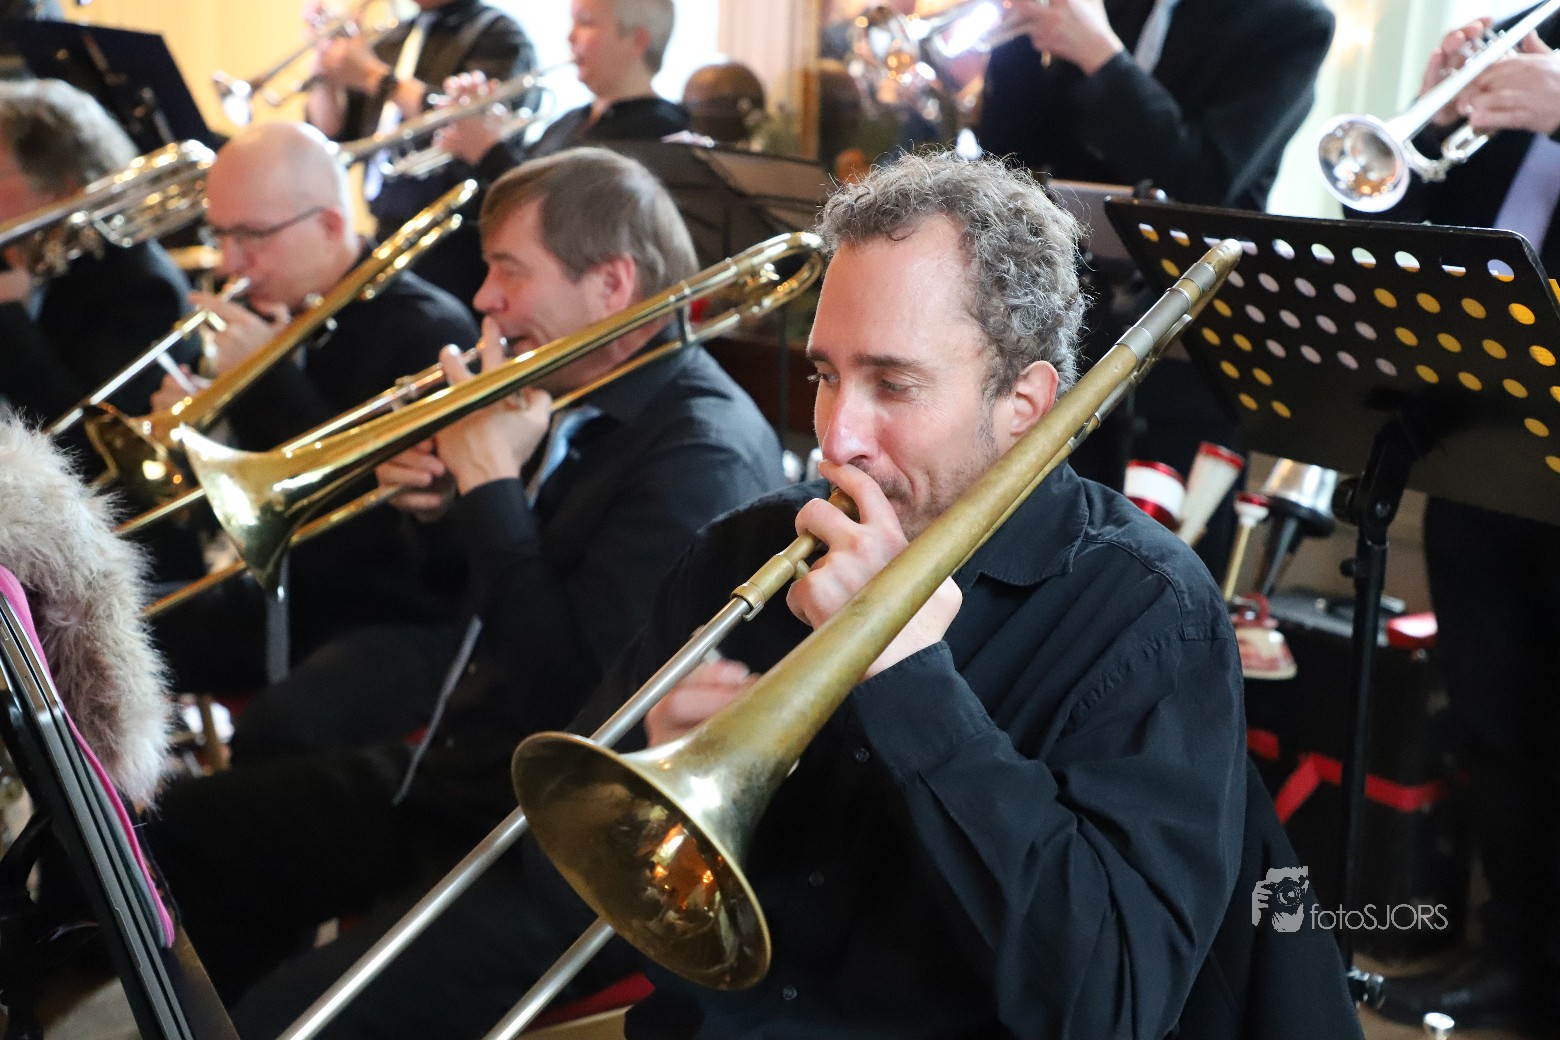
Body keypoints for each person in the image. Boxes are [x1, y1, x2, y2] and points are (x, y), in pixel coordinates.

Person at [553, 150, 1250, 1036]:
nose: (836, 438)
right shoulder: (746, 548)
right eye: (825, 375)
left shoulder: (1151, 615)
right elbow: (574, 870)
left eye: (893, 384)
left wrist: (909, 678)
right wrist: (651, 796)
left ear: (1024, 404)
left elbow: (1110, 1003)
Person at [139, 147, 786, 1035]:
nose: (482, 299)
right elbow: (468, 613)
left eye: (509, 271)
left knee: (280, 1021)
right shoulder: (571, 390)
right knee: (180, 832)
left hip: (561, 847)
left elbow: (577, 703)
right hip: (466, 774)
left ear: (612, 285)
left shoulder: (697, 456)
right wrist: (445, 512)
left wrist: (489, 491)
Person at [1357, 7, 1560, 1032]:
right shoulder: (1539, 31)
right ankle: (1516, 959)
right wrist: (1431, 123)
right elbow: (1403, 242)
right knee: (1498, 723)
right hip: (1487, 447)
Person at [975, 0, 1334, 571]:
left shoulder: (1292, 22)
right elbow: (1011, 152)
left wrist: (1102, 57)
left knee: (1165, 564)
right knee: (1043, 548)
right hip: (1069, 323)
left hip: (1190, 347)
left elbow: (1206, 178)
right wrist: (1017, 39)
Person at [146, 120, 478, 701]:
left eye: (251, 236)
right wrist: (197, 431)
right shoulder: (273, 306)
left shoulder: (427, 331)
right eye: (220, 235)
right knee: (79, 627)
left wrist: (266, 382)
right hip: (280, 586)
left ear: (330, 225)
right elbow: (233, 507)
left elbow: (381, 547)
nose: (228, 263)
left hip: (375, 615)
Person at [0, 79, 196, 466]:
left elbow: (85, 450)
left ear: (61, 187)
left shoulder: (139, 288)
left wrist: (8, 320)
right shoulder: (18, 254)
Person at [306, 0, 536, 312]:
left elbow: (470, 124)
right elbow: (332, 135)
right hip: (387, 234)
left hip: (455, 248)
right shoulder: (396, 36)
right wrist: (325, 67)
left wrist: (376, 77)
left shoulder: (497, 36)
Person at [436, 0, 687, 183]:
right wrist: (476, 134)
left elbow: (558, 214)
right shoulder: (569, 121)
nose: (570, 36)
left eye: (585, 22)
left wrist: (488, 150)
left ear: (637, 40)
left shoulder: (663, 133)